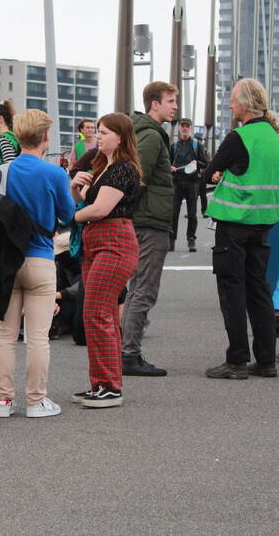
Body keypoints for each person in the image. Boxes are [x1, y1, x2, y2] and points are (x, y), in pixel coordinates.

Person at [0, 109, 75, 419]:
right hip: (40, 257)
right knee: (37, 337)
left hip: (5, 260)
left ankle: (2, 401)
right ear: (45, 137)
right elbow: (68, 214)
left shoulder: (2, 171)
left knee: (5, 336)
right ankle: (36, 401)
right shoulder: (54, 174)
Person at [202, 79, 279, 378]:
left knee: (232, 291)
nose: (230, 106)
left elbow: (208, 173)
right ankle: (266, 360)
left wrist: (218, 174)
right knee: (259, 291)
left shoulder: (239, 137)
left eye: (233, 100)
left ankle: (237, 360)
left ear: (246, 104)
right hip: (263, 225)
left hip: (235, 223)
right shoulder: (275, 139)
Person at [69, 113, 142, 408]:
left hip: (115, 243)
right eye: (98, 131)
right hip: (97, 243)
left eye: (105, 132)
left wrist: (70, 217)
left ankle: (110, 386)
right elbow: (85, 201)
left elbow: (100, 209)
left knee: (97, 313)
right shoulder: (103, 167)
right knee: (101, 314)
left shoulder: (124, 168)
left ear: (121, 137)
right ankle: (101, 384)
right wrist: (75, 187)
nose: (98, 136)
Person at [121, 81, 178, 378]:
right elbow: (137, 175)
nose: (175, 107)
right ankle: (129, 354)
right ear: (154, 104)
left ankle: (126, 351)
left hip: (142, 218)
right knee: (144, 290)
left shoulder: (141, 131)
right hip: (150, 221)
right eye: (170, 101)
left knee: (137, 289)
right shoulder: (153, 135)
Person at [170, 117, 209, 252]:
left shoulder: (197, 146)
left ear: (191, 128)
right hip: (177, 182)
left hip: (193, 183)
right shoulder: (174, 146)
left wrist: (197, 163)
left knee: (192, 214)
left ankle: (191, 239)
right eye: (183, 126)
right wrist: (170, 167)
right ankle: (171, 240)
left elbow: (206, 163)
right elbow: (168, 162)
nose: (185, 128)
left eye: (187, 126)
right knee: (174, 214)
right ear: (179, 128)